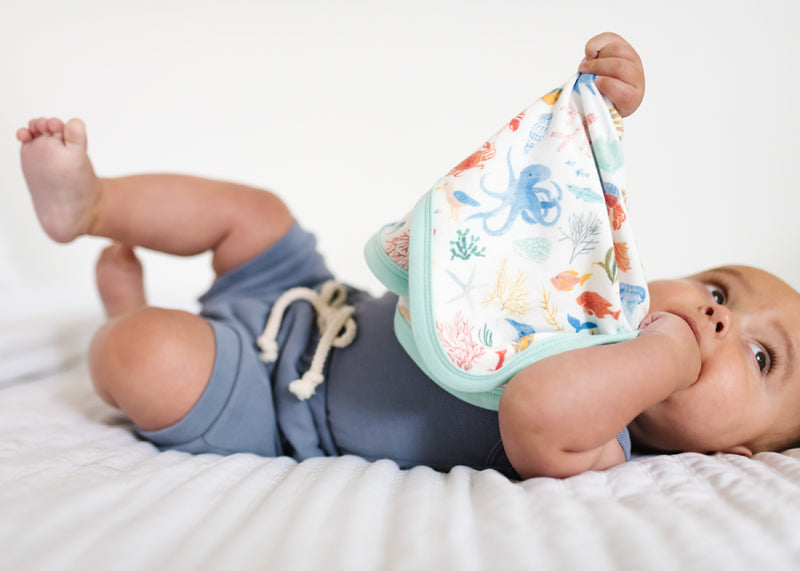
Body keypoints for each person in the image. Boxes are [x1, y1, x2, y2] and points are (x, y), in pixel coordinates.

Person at [16, 33, 800, 479]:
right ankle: (91, 203)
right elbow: (558, 200)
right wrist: (598, 123)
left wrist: (668, 353)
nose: (717, 319)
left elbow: (537, 408)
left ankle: (124, 314)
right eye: (718, 289)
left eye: (762, 356)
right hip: (321, 301)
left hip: (274, 400)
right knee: (257, 213)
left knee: (147, 353)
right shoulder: (586, 294)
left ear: (737, 453)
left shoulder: (604, 443)